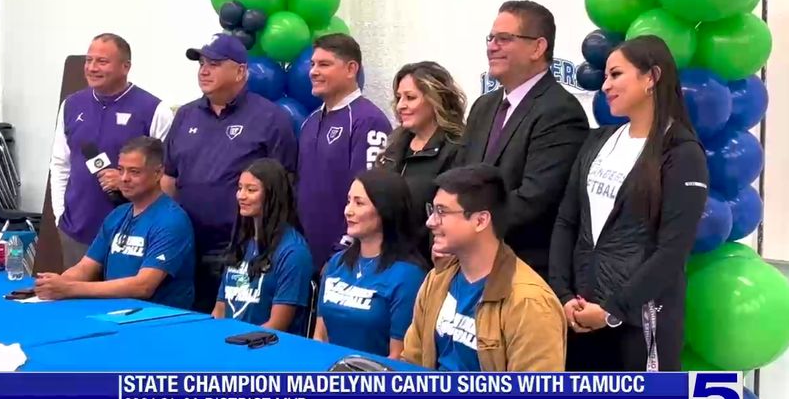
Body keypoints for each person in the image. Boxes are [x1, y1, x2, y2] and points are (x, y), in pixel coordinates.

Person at [548, 35, 708, 399]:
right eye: (604, 76)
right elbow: (568, 220)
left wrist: (615, 311)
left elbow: (672, 252)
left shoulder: (682, 152)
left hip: (642, 320)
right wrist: (564, 294)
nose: (606, 85)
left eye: (616, 74)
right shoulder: (598, 142)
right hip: (582, 311)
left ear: (652, 77)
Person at [162, 33, 297, 313]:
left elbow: (284, 187)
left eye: (214, 63)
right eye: (201, 63)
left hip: (240, 250)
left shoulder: (271, 118)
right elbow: (169, 179)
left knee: (229, 332)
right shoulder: (185, 116)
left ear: (240, 71)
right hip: (186, 247)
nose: (204, 70)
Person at [459, 1, 589, 278]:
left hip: (522, 272)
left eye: (504, 39)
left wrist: (466, 227)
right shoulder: (483, 106)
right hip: (470, 264)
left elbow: (535, 198)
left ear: (537, 48)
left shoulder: (560, 111)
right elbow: (460, 178)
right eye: (491, 38)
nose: (492, 46)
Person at [402, 164, 566, 371]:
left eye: (442, 212)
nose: (430, 222)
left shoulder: (530, 303)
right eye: (432, 210)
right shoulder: (437, 279)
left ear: (480, 221)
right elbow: (411, 362)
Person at [50, 33, 174, 268]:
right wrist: (60, 215)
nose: (92, 68)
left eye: (102, 62)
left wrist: (127, 180)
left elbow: (167, 175)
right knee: (78, 302)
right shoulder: (71, 105)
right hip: (77, 233)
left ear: (125, 66)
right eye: (89, 60)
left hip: (132, 236)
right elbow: (60, 164)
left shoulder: (154, 110)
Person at [35, 137, 195, 310]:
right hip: (113, 312)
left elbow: (143, 286)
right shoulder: (118, 215)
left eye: (134, 172)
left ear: (157, 174)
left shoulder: (171, 220)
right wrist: (53, 285)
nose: (124, 178)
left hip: (156, 318)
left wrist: (69, 289)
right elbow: (85, 267)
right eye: (121, 170)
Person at [296, 33, 393, 271]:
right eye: (313, 64)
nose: (313, 72)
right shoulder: (309, 122)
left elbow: (372, 197)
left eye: (324, 64)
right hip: (307, 257)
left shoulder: (369, 120)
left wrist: (344, 249)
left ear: (351, 69)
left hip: (347, 261)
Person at [313, 169, 427, 359]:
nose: (348, 210)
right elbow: (320, 335)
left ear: (385, 209)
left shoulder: (409, 275)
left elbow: (399, 356)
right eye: (348, 201)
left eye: (359, 203)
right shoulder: (336, 263)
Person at [211, 159, 314, 336]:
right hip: (227, 346)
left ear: (272, 195)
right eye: (240, 188)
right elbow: (220, 309)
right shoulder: (242, 242)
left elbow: (277, 326)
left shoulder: (294, 252)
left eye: (251, 190)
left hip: (265, 352)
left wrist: (233, 344)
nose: (241, 196)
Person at [376, 61, 467, 262]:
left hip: (428, 266)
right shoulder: (394, 146)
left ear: (435, 100)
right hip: (385, 263)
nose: (401, 106)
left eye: (410, 98)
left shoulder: (457, 150)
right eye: (399, 98)